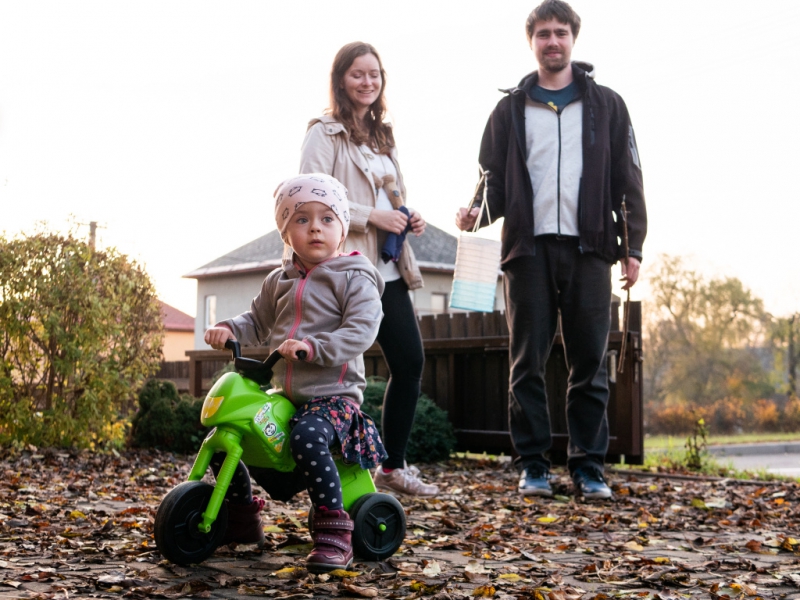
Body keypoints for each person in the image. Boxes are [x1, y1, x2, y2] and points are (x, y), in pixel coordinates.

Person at [455, 0, 647, 500]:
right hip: (527, 251)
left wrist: (633, 247)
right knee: (526, 364)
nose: (553, 41)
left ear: (573, 39)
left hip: (591, 248)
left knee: (590, 365)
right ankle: (534, 465)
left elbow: (628, 179)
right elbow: (492, 182)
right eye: (543, 34)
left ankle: (588, 467)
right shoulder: (508, 110)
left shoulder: (608, 105)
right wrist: (475, 213)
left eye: (561, 32)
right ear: (532, 42)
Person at [204, 173, 387, 573]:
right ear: (286, 233)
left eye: (327, 218)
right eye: (301, 219)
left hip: (334, 399)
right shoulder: (279, 280)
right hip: (287, 397)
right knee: (231, 432)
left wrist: (314, 347)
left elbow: (361, 329)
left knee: (308, 435)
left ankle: (334, 529)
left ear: (342, 229)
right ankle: (241, 519)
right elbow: (256, 320)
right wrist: (229, 329)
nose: (315, 228)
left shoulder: (354, 277)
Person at [298, 41, 438, 497]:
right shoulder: (324, 133)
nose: (367, 82)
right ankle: (333, 473)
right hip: (344, 270)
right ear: (341, 79)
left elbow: (390, 197)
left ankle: (392, 467)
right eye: (357, 74)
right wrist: (371, 217)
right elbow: (311, 196)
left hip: (388, 268)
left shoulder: (383, 136)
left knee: (410, 361)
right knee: (341, 373)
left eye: (374, 74)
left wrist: (407, 217)